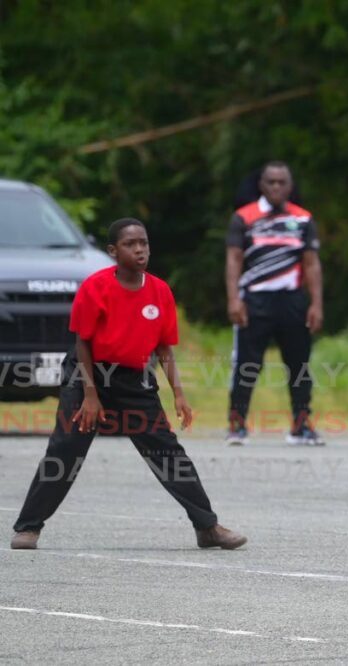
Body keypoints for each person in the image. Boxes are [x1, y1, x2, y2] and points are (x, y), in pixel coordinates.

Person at [10, 218, 247, 551]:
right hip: (88, 374)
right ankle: (28, 527)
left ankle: (207, 527)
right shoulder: (96, 287)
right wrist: (90, 396)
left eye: (144, 243)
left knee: (167, 451)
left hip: (133, 380)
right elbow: (83, 343)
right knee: (65, 451)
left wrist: (179, 394)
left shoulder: (160, 291)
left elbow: (164, 347)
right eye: (130, 244)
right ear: (112, 251)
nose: (139, 249)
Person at [225, 161, 324, 446]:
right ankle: (237, 424)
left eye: (282, 183)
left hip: (292, 300)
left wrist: (316, 303)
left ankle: (302, 425)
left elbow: (312, 263)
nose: (277, 187)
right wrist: (234, 299)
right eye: (271, 182)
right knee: (247, 364)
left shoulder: (303, 219)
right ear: (262, 185)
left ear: (290, 186)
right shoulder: (244, 218)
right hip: (254, 299)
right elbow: (233, 260)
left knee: (299, 365)